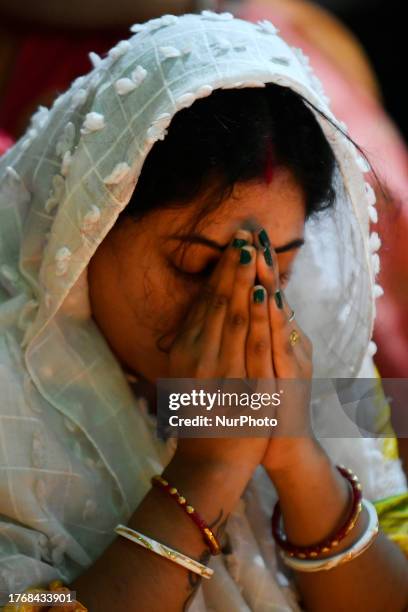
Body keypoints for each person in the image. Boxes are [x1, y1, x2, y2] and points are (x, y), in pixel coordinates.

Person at [0, 11, 407, 612]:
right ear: (83, 232)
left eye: (279, 271)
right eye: (193, 265)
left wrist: (297, 457)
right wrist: (211, 465)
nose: (241, 305)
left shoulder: (310, 358)